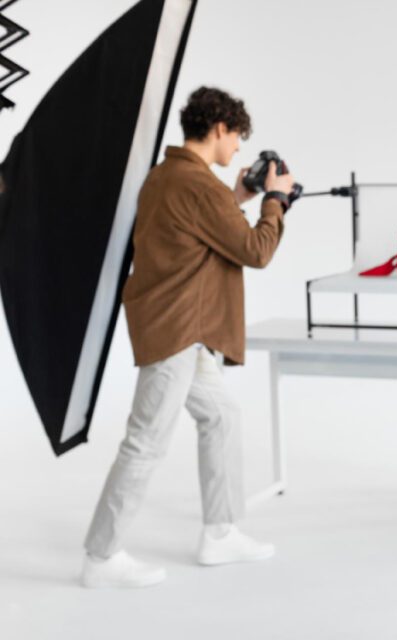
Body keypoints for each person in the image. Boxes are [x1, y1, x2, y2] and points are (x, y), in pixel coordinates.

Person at [80, 87, 296, 588]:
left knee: (221, 415)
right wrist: (275, 201)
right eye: (238, 137)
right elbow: (255, 251)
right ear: (220, 128)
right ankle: (100, 556)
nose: (239, 149)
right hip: (178, 327)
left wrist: (241, 197)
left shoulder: (170, 175)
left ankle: (219, 533)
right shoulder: (196, 185)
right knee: (145, 443)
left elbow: (201, 230)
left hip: (183, 325)